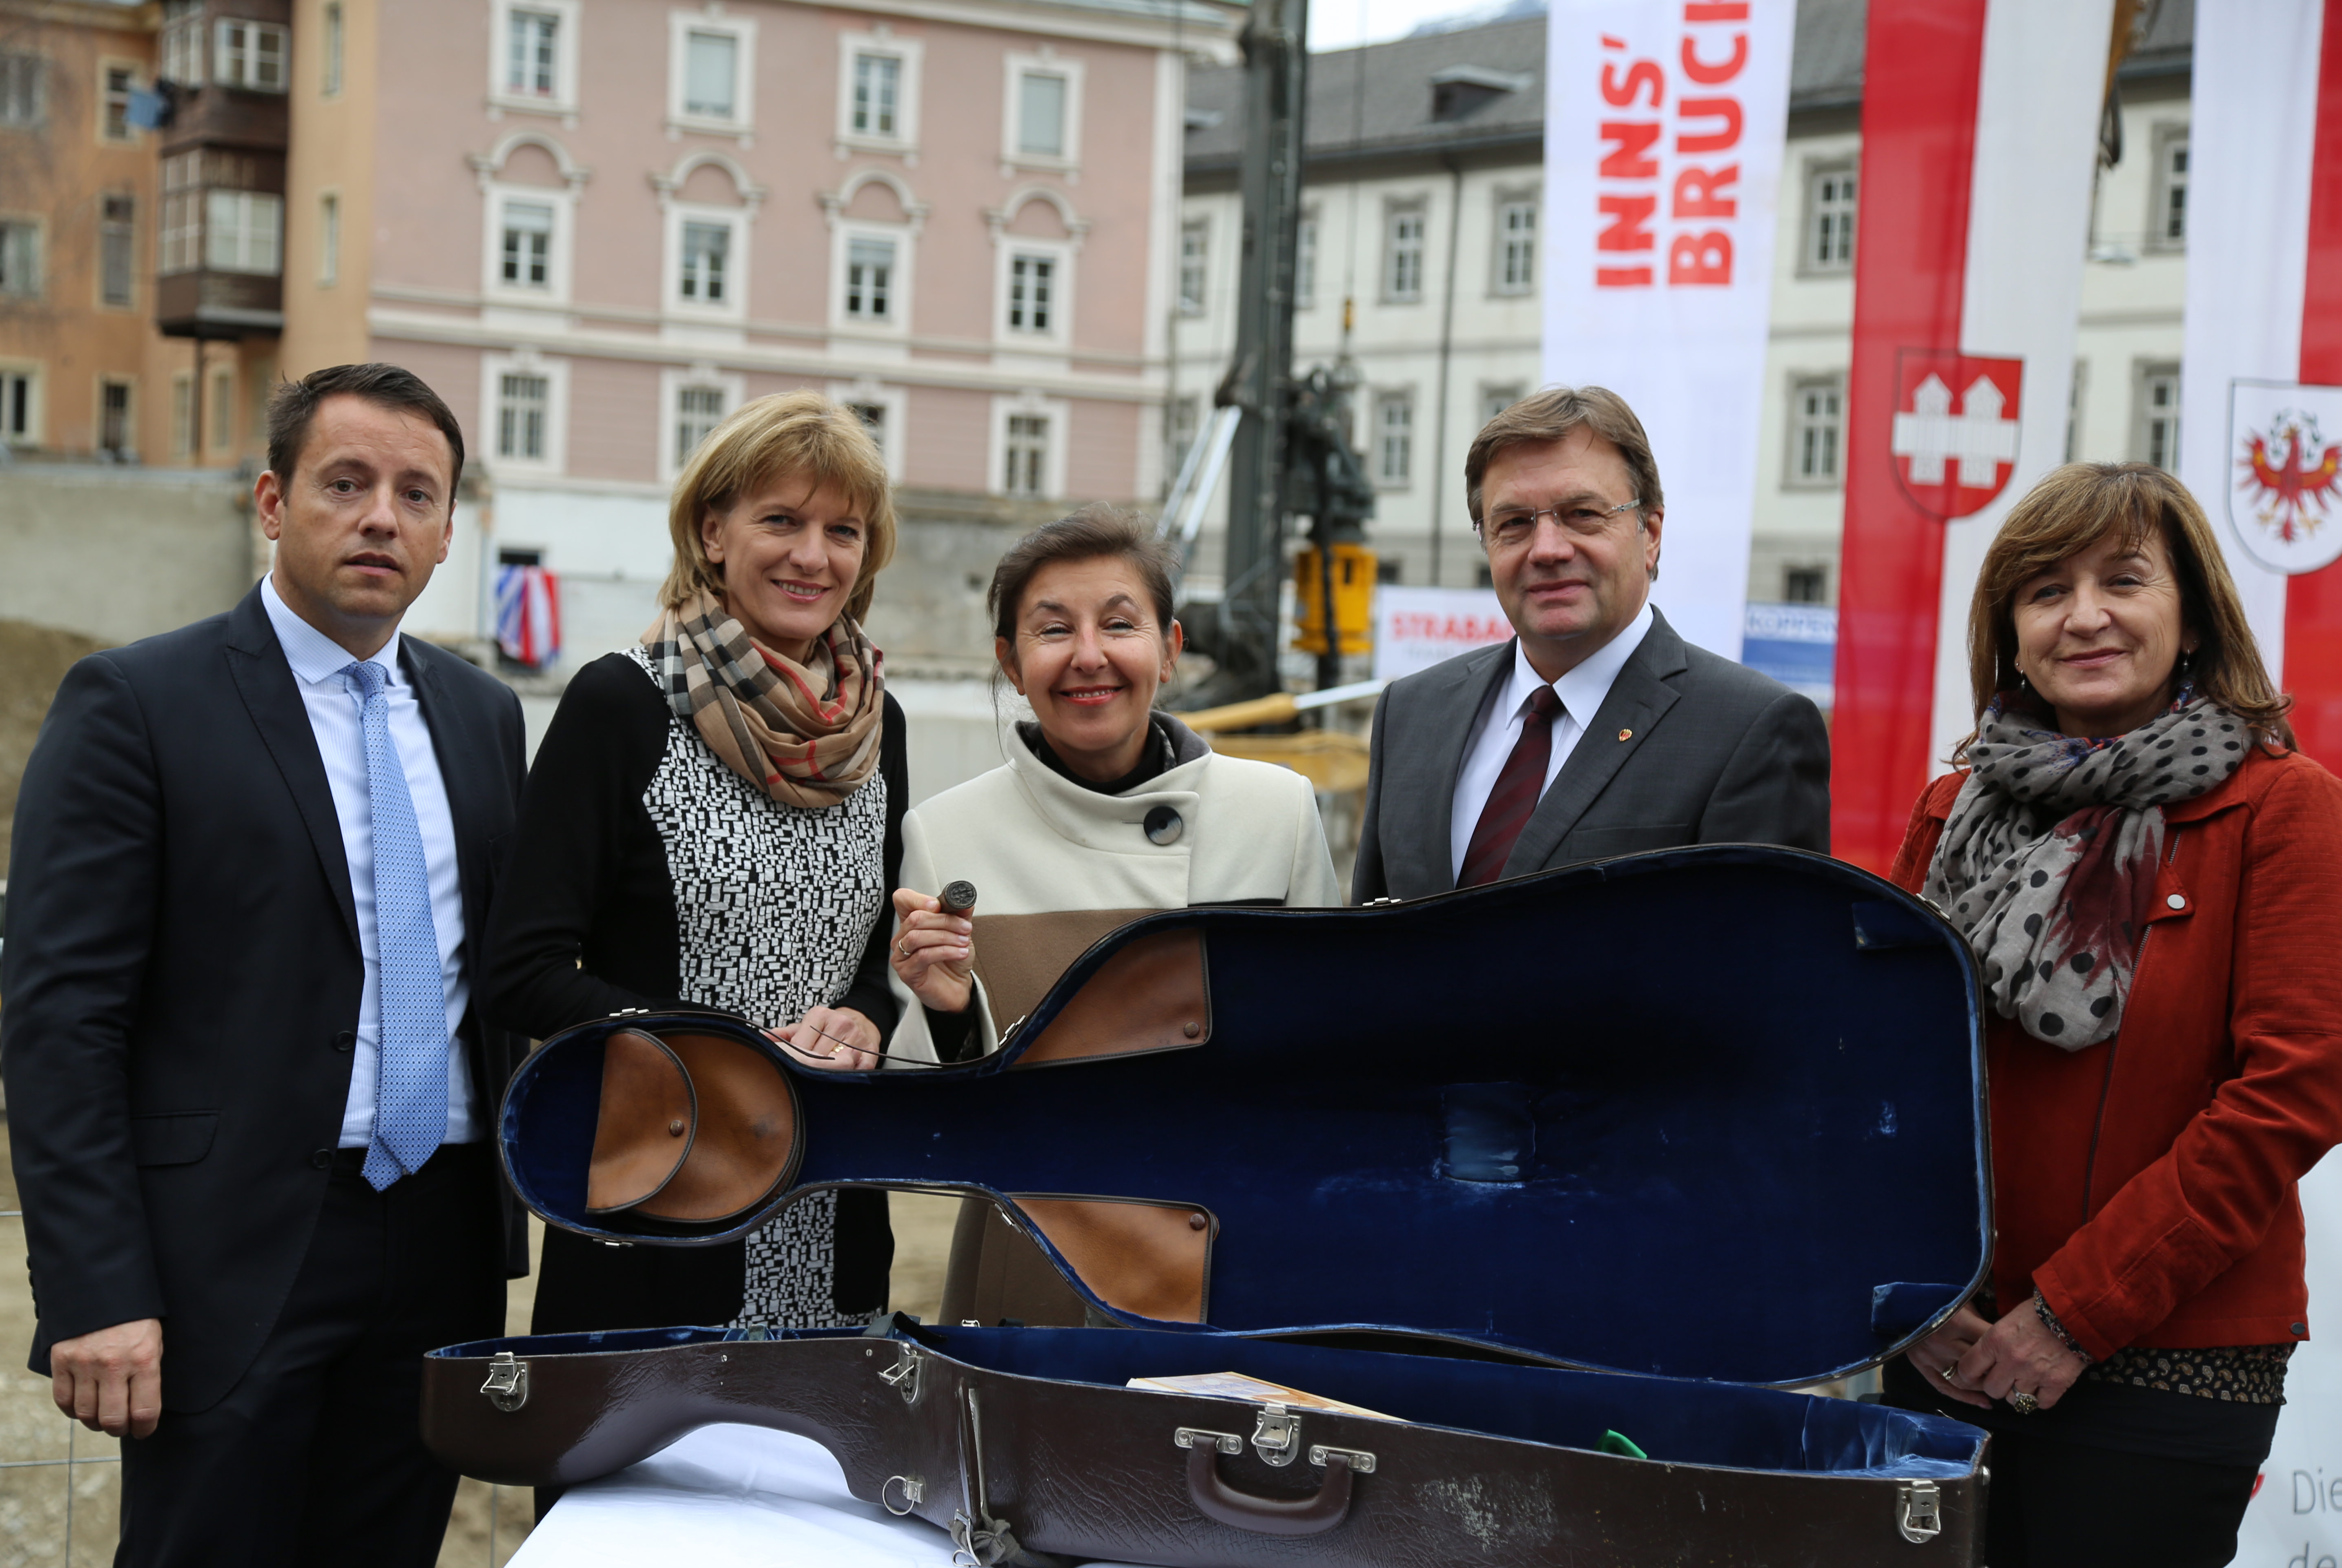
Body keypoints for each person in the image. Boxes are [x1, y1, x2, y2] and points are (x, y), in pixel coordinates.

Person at [2, 363, 528, 1565]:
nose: (380, 516)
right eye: (346, 483)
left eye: (415, 492)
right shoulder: (138, 703)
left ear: (450, 531)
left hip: (441, 1243)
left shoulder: (485, 718)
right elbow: (62, 1021)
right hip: (225, 1249)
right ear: (274, 501)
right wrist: (96, 1288)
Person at [1882, 462, 2342, 1568]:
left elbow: (2292, 1093)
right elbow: (1880, 1071)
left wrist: (2073, 1314)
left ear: (2190, 618)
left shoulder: (2283, 809)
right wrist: (1916, 1297)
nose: (2083, 615)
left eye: (2123, 580)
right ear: (2012, 633)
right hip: (1945, 1348)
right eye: (2044, 591)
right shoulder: (1949, 808)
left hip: (2167, 1362)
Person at [482, 390, 907, 1343]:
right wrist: (723, 1049)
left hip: (833, 1204)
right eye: (780, 520)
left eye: (842, 529)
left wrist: (869, 1014)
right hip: (659, 1203)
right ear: (712, 532)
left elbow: (876, 945)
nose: (813, 554)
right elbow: (520, 968)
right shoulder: (620, 704)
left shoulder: (880, 727)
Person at [882, 506, 1339, 1323]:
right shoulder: (947, 835)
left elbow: (1326, 1078)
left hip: (1234, 1260)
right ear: (1010, 663)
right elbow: (927, 1142)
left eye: (1120, 625)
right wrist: (951, 1016)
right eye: (1053, 630)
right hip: (1030, 1268)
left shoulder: (1278, 813)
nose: (1089, 656)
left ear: (1170, 648)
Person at [1353, 386, 1829, 901]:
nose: (1548, 550)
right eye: (1514, 524)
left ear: (1650, 533)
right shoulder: (1410, 713)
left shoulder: (1751, 730)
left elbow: (1760, 970)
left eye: (1582, 514)